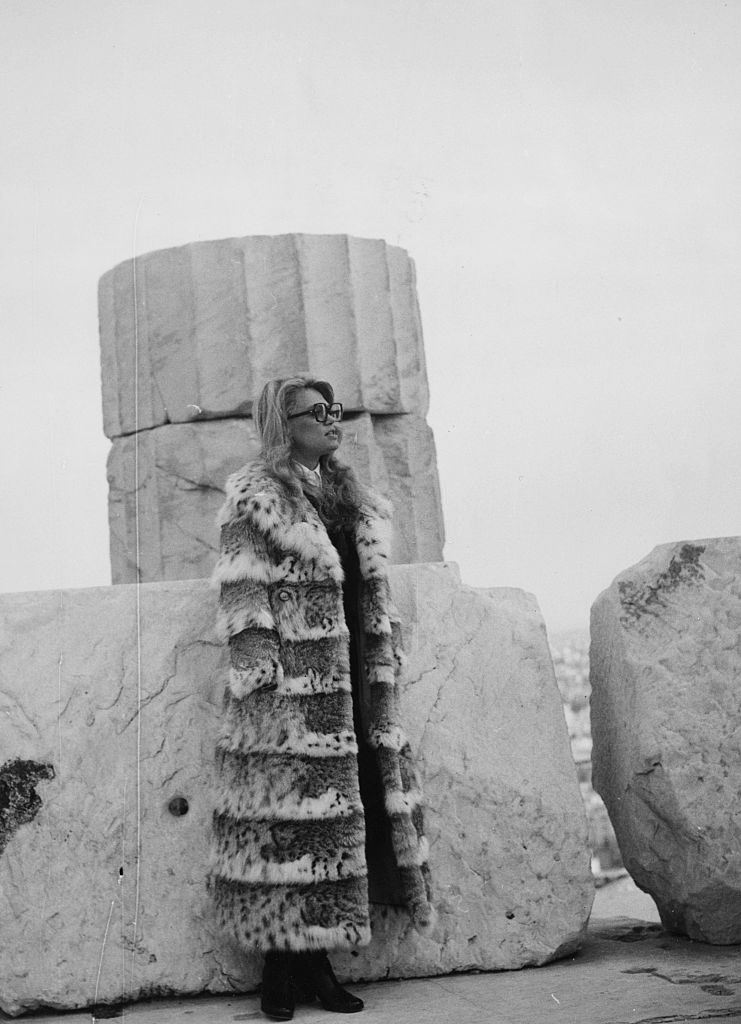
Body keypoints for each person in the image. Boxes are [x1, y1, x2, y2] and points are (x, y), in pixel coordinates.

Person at [209, 375, 433, 1021]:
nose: (333, 422)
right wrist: (262, 684)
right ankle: (289, 971)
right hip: (293, 692)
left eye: (335, 411)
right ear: (285, 424)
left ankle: (315, 965)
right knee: (294, 830)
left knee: (342, 817)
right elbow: (241, 595)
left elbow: (369, 588)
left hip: (356, 679)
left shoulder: (348, 492)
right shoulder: (255, 497)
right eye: (317, 413)